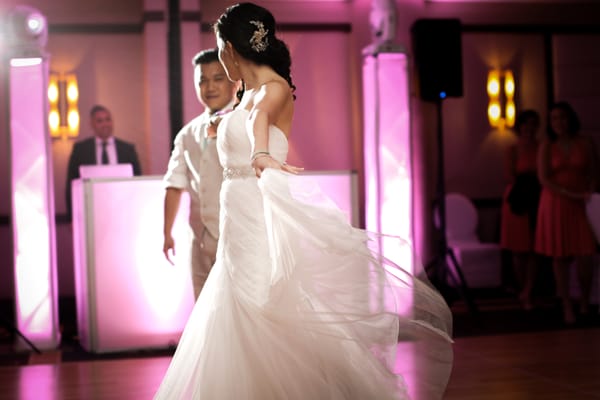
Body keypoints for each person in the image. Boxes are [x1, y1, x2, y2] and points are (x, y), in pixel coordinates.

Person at [154, 3, 453, 399]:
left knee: (259, 305)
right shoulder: (244, 94)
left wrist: (259, 151)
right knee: (232, 307)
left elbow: (260, 119)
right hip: (236, 216)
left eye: (221, 50)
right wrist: (219, 125)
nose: (221, 61)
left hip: (258, 214)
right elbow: (246, 116)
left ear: (231, 47)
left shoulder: (273, 89)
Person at [162, 48, 239, 300]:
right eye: (202, 80)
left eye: (218, 78)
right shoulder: (187, 133)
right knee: (203, 306)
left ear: (233, 80)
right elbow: (174, 183)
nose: (210, 87)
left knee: (238, 307)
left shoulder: (245, 122)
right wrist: (167, 232)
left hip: (238, 234)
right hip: (200, 238)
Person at [535, 101, 597, 324]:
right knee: (560, 256)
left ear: (570, 118)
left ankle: (584, 301)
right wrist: (570, 195)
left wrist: (589, 191)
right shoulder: (547, 145)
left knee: (586, 254)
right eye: (554, 119)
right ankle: (566, 305)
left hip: (582, 203)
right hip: (556, 203)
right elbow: (544, 179)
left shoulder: (585, 142)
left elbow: (593, 171)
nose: (559, 122)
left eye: (562, 117)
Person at [65, 104, 142, 218]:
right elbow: (71, 184)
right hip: (91, 211)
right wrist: (71, 216)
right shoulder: (80, 150)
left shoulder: (127, 149)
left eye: (108, 119)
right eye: (100, 121)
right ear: (92, 124)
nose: (105, 124)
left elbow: (137, 181)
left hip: (123, 210)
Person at [500, 110, 542, 310]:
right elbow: (509, 175)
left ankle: (529, 290)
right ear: (520, 126)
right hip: (518, 198)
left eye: (533, 124)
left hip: (537, 198)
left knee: (534, 247)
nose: (529, 128)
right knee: (519, 249)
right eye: (525, 124)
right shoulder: (513, 149)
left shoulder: (542, 147)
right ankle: (520, 288)